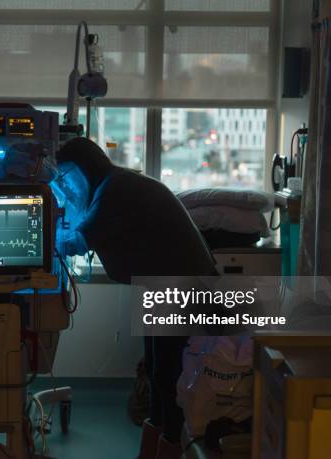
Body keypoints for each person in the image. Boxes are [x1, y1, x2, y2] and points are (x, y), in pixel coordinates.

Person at [55, 137, 217, 459]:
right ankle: (157, 443)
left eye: (68, 177)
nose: (69, 185)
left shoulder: (116, 190)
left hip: (182, 284)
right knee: (158, 370)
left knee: (168, 373)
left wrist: (41, 239)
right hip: (168, 281)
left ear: (84, 169)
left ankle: (168, 446)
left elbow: (78, 241)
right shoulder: (117, 183)